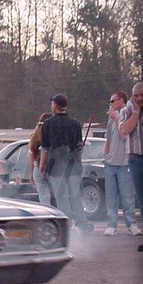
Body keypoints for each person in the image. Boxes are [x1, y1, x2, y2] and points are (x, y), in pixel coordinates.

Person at [39, 94, 94, 233]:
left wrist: (42, 164)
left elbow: (45, 148)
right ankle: (83, 224)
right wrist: (78, 164)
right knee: (75, 197)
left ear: (56, 105)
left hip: (56, 169)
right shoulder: (75, 123)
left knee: (62, 199)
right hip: (74, 167)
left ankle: (67, 227)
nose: (51, 105)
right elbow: (79, 147)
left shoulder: (48, 124)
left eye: (52, 103)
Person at [119, 82, 143, 252]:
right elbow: (124, 130)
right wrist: (136, 112)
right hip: (136, 160)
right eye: (137, 96)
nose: (140, 98)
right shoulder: (127, 110)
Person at [103, 91, 141, 236]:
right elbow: (108, 139)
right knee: (111, 196)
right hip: (110, 163)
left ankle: (131, 223)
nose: (111, 104)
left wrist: (116, 118)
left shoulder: (127, 114)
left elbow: (125, 135)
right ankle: (111, 225)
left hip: (124, 163)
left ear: (121, 100)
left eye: (113, 101)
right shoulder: (110, 119)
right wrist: (106, 155)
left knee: (127, 196)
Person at [29, 112, 53, 205]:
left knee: (44, 197)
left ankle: (46, 211)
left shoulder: (34, 138)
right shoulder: (51, 136)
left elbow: (32, 157)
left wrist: (31, 174)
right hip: (52, 167)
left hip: (37, 168)